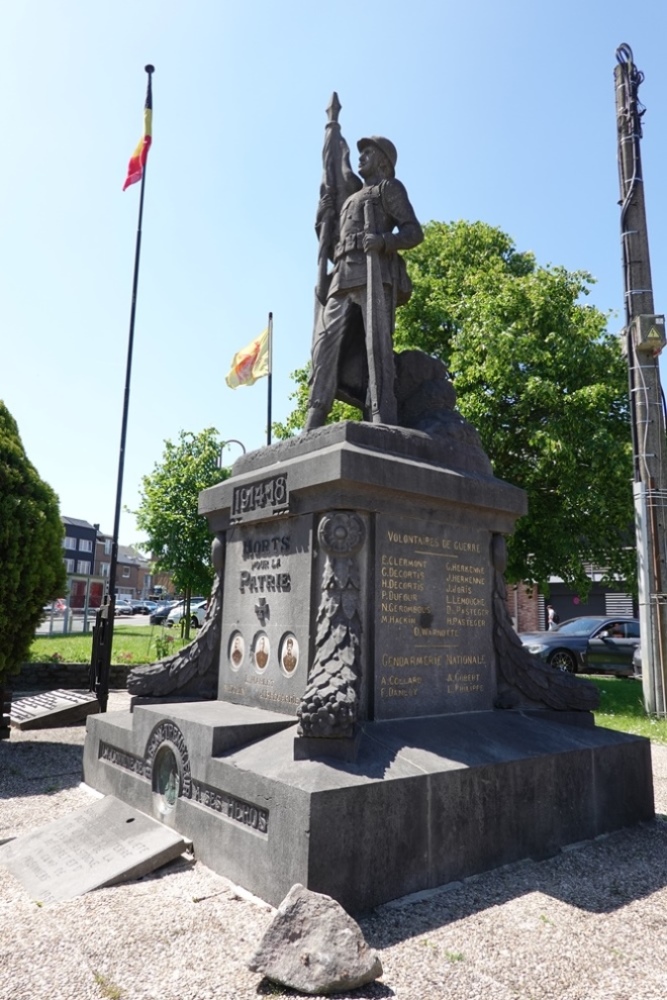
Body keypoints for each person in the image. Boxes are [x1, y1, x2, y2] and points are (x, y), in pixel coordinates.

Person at [305, 136, 423, 430]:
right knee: (324, 345)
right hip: (342, 276)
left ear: (382, 160)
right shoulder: (349, 200)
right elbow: (333, 242)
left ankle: (381, 412)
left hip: (374, 274)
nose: (360, 157)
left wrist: (384, 241)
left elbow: (413, 232)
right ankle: (315, 412)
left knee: (377, 345)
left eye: (367, 152)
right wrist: (324, 215)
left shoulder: (388, 188)